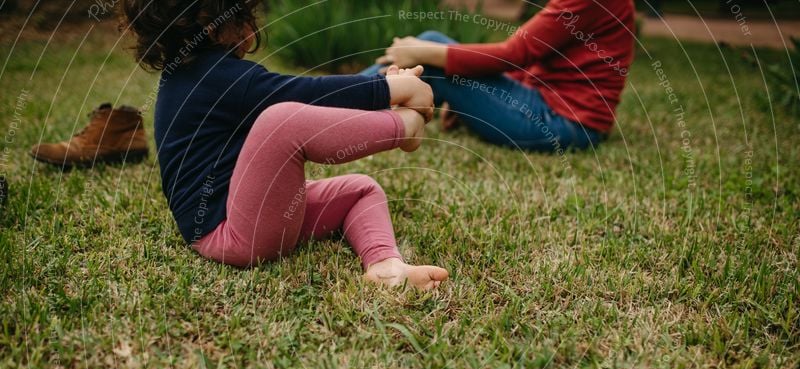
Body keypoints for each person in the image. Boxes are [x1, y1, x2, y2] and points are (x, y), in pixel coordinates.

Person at [120, 0, 448, 289]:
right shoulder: (214, 78)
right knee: (281, 121)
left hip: (253, 218)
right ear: (212, 24)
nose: (252, 26)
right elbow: (307, 94)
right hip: (229, 232)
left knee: (360, 189)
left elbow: (314, 108)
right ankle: (402, 128)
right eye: (244, 14)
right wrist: (388, 88)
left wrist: (385, 91)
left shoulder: (190, 76)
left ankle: (385, 266)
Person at [367, 0, 636, 152]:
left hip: (565, 123)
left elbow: (515, 53)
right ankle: (343, 95)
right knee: (432, 50)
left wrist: (422, 51)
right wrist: (476, 99)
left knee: (430, 56)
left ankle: (338, 98)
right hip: (552, 108)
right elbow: (537, 56)